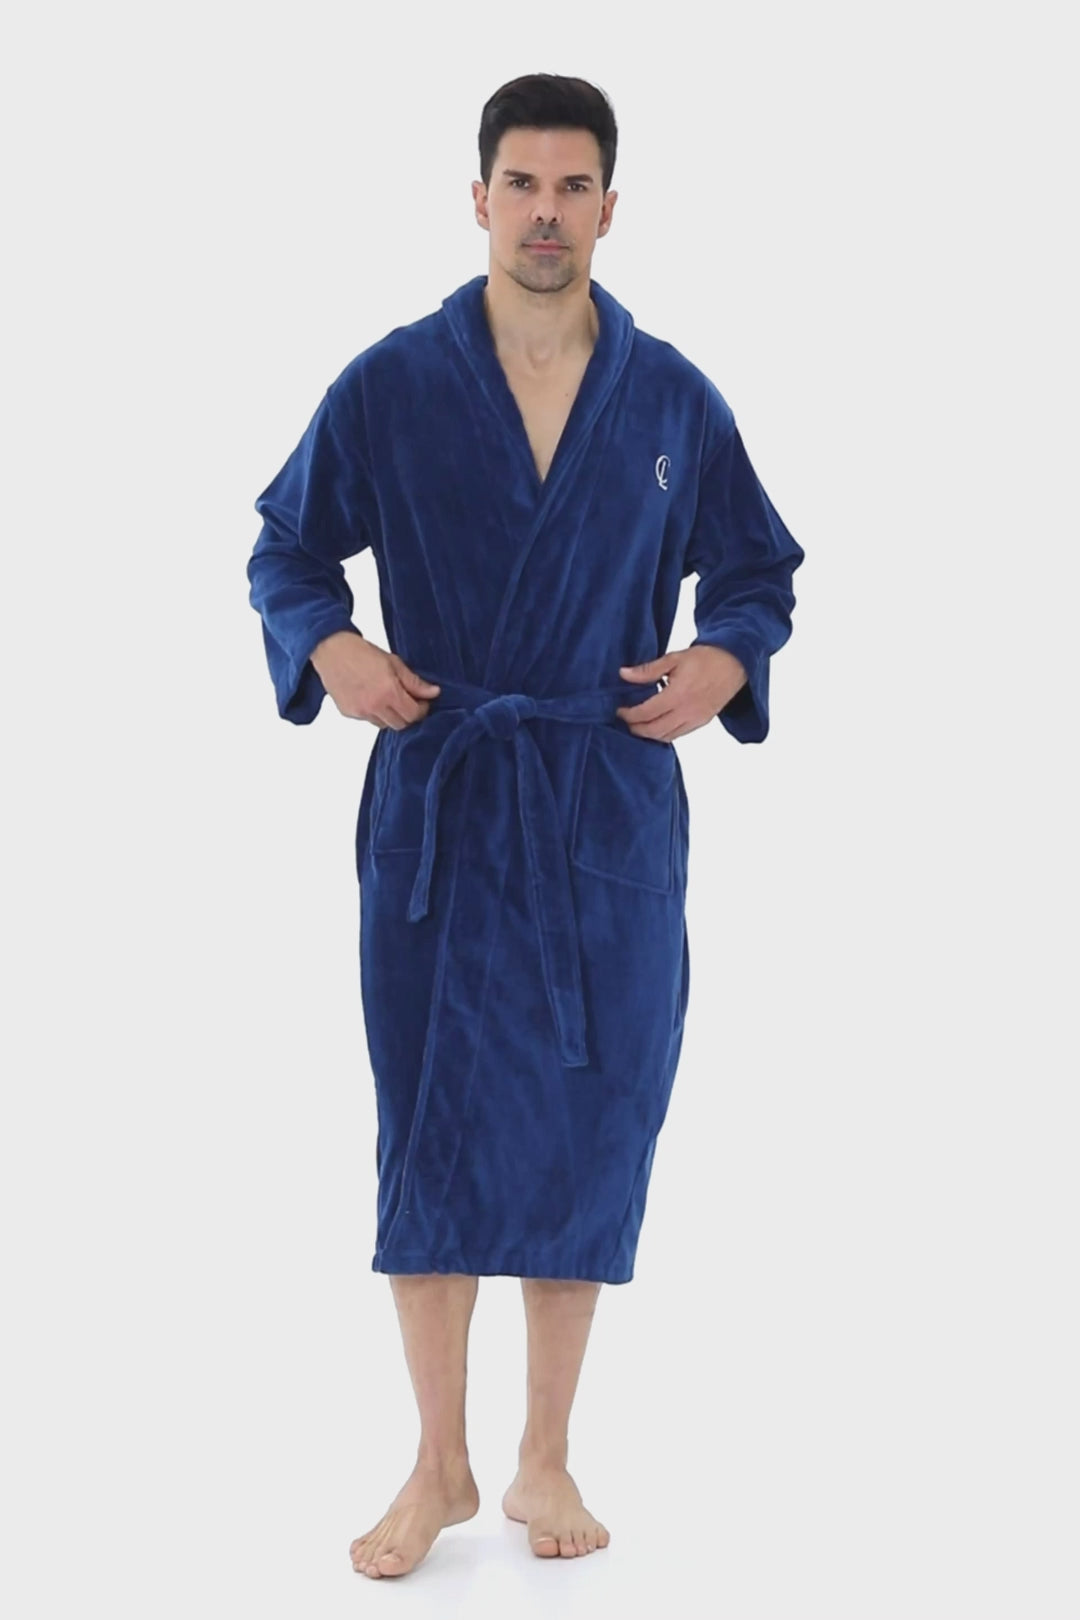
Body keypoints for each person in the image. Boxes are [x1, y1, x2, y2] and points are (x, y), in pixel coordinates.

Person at [247, 72, 804, 1580]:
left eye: (572, 188)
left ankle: (546, 1455)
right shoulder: (392, 382)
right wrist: (330, 646)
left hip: (603, 797)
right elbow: (287, 547)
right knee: (427, 1120)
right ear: (478, 198)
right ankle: (438, 1463)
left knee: (593, 1119)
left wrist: (726, 658)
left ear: (610, 209)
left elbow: (756, 571)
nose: (545, 214)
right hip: (442, 798)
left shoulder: (671, 398)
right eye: (521, 185)